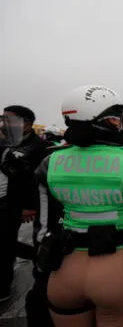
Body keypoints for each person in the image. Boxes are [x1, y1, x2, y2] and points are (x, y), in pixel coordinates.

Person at [34, 85, 123, 327]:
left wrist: (40, 272)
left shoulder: (49, 162)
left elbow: (43, 230)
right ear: (108, 121)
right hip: (120, 269)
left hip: (64, 270)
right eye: (117, 118)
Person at [0, 105, 51, 304]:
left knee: (4, 246)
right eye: (3, 119)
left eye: (9, 120)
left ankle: (3, 287)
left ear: (27, 124)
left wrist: (30, 205)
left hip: (14, 204)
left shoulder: (38, 147)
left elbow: (38, 180)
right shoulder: (5, 143)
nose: (5, 124)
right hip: (4, 199)